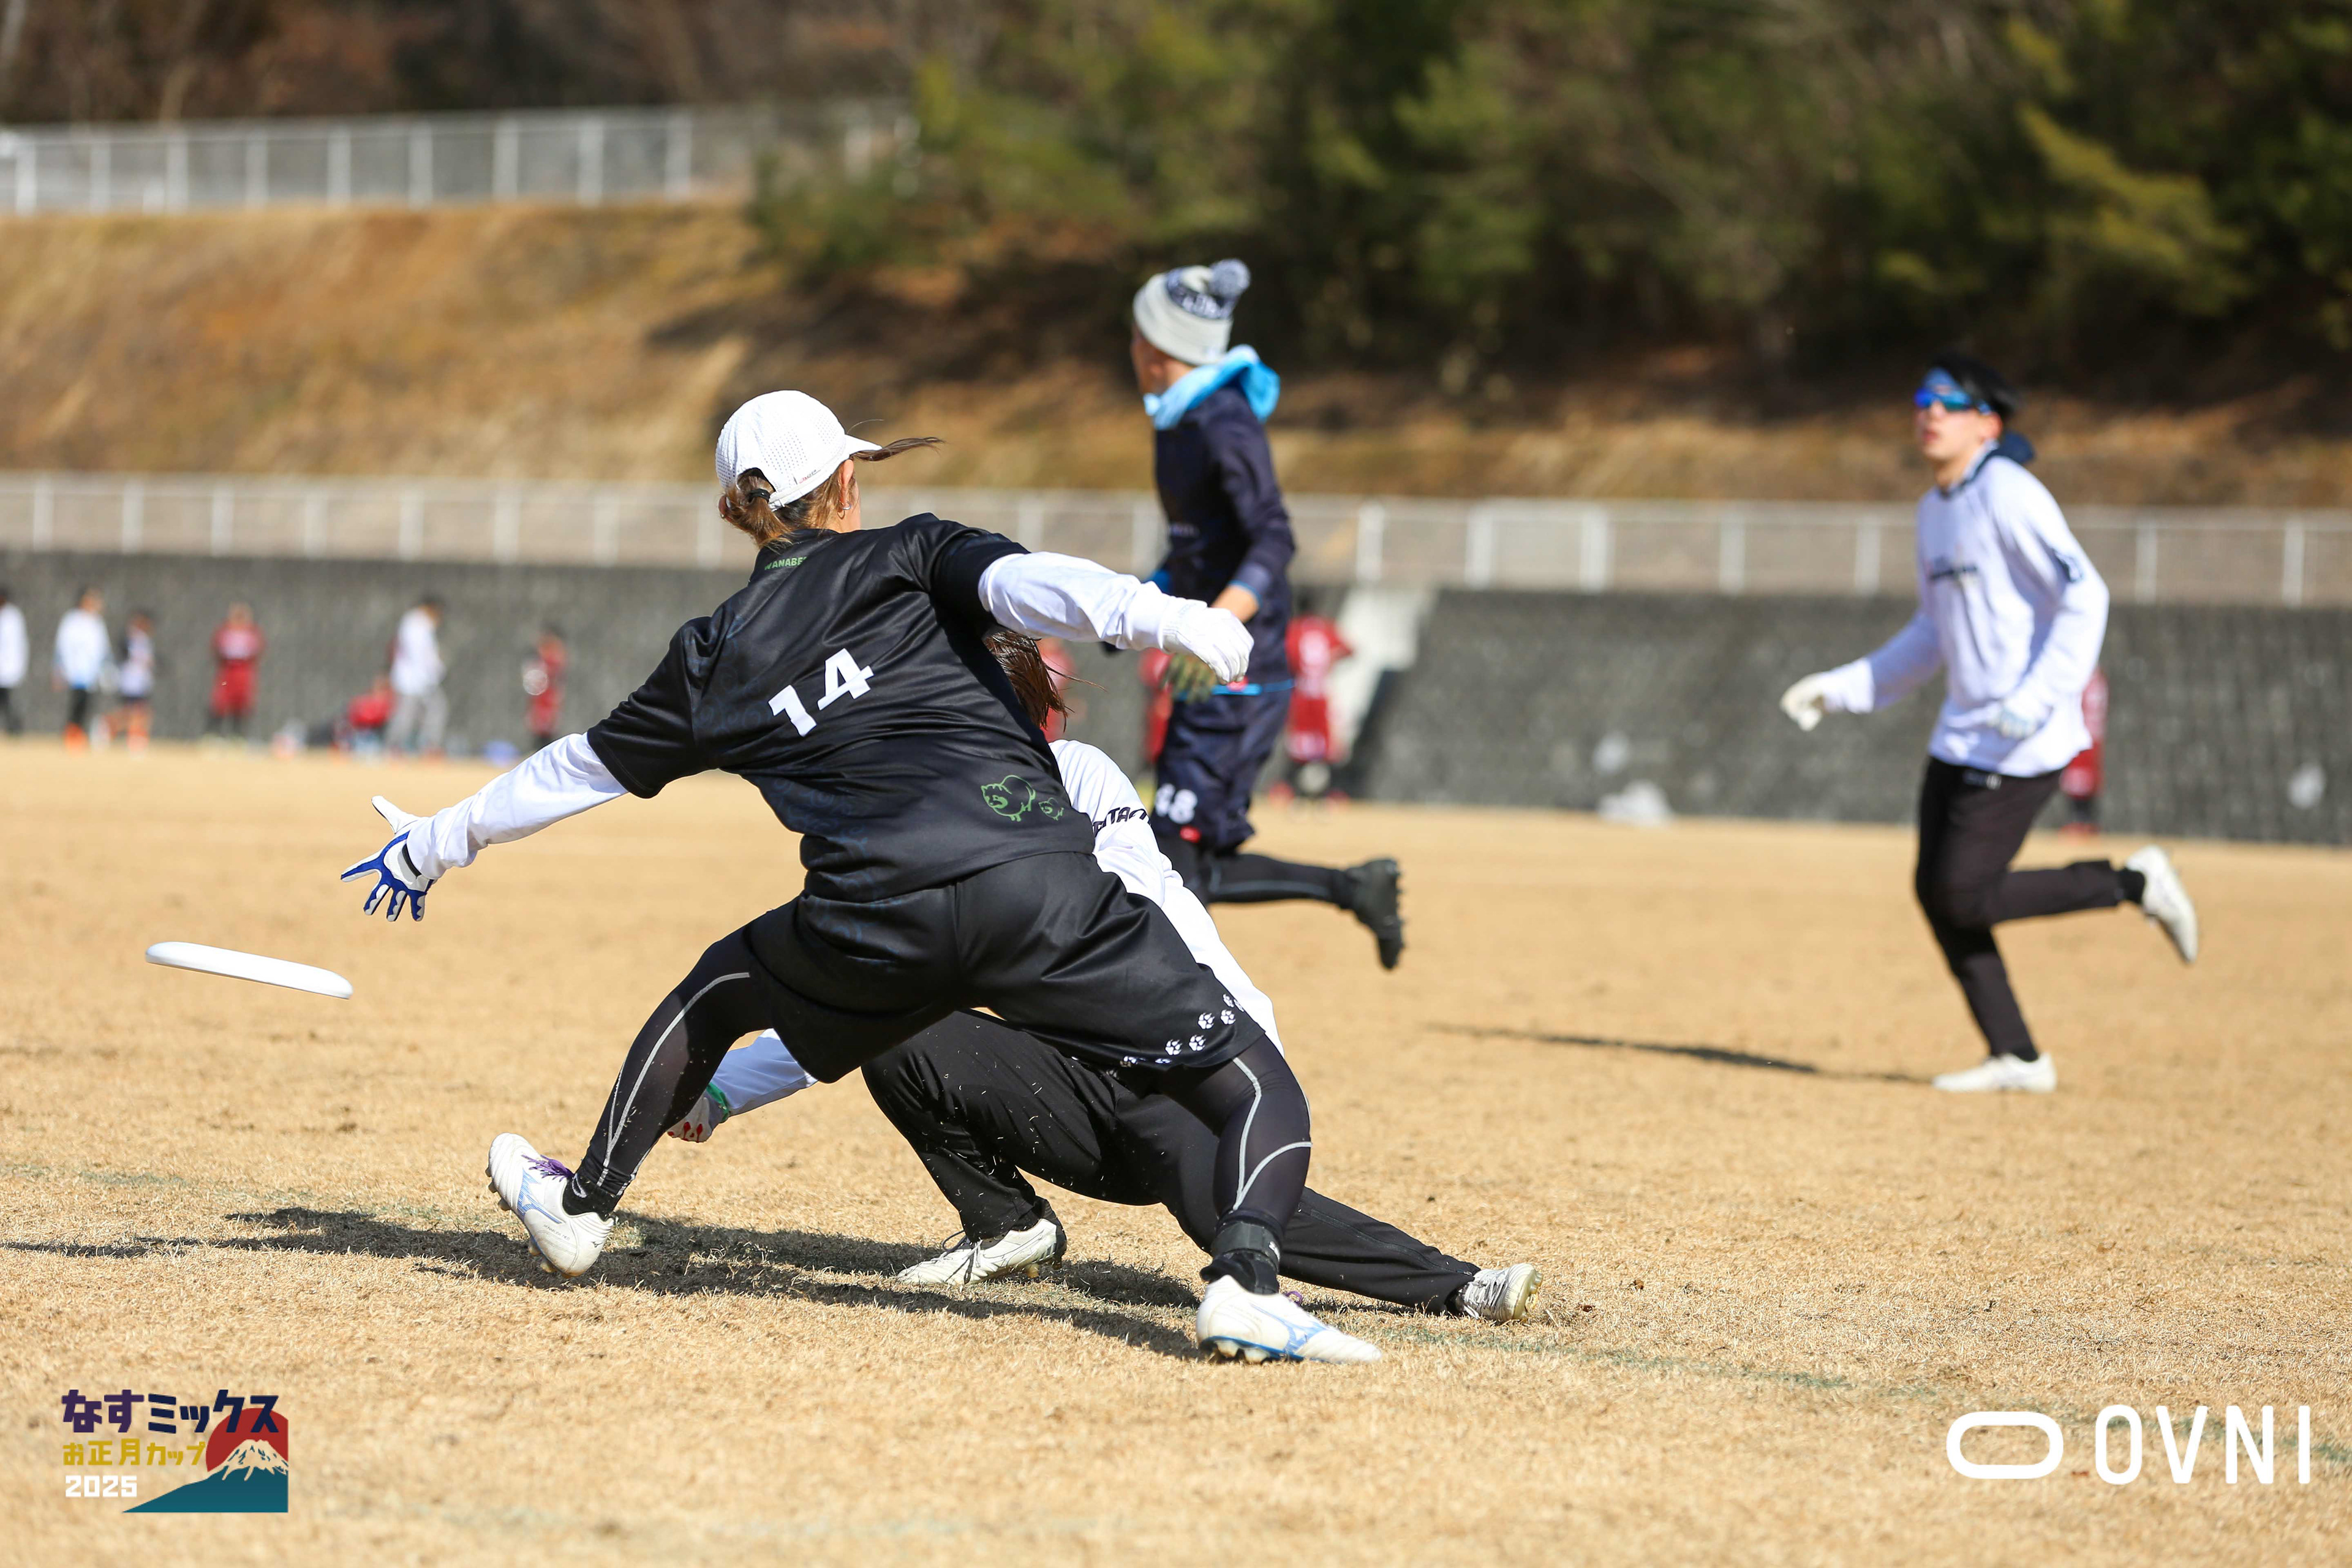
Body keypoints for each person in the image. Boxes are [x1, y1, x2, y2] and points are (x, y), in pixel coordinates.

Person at [341, 390, 1378, 1363]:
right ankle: (1246, 1281)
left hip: (875, 914)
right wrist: (1170, 618)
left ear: (740, 512)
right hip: (1038, 886)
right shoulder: (910, 553)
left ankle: (583, 1208)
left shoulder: (712, 655)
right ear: (845, 482)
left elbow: (577, 769)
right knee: (1257, 1083)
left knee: (715, 993)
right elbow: (1028, 585)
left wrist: (437, 843)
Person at [664, 631, 1540, 1324]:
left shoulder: (1077, 777)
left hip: (1190, 1071)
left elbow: (1150, 913)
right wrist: (723, 1092)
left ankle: (1460, 1284)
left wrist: (1239, 1079)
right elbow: (868, 994)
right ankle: (1009, 1226)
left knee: (1225, 1219)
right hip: (1072, 1097)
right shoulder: (938, 822)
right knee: (902, 1036)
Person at [1779, 353, 2198, 1094]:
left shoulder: (2009, 492)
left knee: (1963, 894)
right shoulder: (1933, 510)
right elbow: (1932, 633)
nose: (1930, 412)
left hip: (2023, 739)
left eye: (1950, 402)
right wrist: (1843, 689)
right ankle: (2019, 1057)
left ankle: (2134, 883)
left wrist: (2037, 698)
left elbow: (2086, 597)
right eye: (1923, 399)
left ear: (1988, 424)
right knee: (1934, 890)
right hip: (1960, 734)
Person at [1129, 260, 1406, 969]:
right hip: (1212, 665)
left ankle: (1190, 1014)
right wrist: (1135, 605)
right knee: (1186, 858)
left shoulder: (1222, 421)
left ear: (1155, 348)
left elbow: (1273, 539)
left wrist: (1214, 626)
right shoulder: (1179, 419)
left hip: (1236, 671)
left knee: (1173, 858)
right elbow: (1198, 547)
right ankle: (1354, 887)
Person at [1283, 608, 1352, 799]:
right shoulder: (1326, 629)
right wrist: (1332, 659)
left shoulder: (1294, 630)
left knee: (1305, 741)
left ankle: (1295, 788)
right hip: (1318, 694)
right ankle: (1329, 791)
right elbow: (1349, 650)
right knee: (1322, 742)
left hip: (1305, 694)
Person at [51, 586, 111, 750]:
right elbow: (62, 646)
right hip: (74, 670)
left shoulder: (97, 622)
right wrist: (60, 669)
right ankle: (72, 734)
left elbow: (103, 648)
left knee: (88, 705)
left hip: (92, 672)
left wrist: (105, 668)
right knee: (77, 703)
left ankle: (81, 734)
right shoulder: (72, 620)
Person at [385, 596, 446, 758]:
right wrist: (434, 671)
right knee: (406, 715)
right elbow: (419, 654)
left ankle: (429, 747)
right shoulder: (414, 624)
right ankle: (394, 747)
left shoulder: (421, 625)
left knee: (434, 710)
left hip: (422, 680)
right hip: (412, 680)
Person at [2060, 668, 2108, 836]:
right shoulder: (2094, 677)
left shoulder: (2086, 676)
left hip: (2084, 734)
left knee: (2081, 775)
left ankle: (2082, 821)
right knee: (2082, 774)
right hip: (2088, 735)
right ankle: (2082, 820)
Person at [207, 603, 265, 739]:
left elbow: (258, 650)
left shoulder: (252, 633)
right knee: (221, 700)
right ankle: (213, 734)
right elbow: (216, 648)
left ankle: (237, 735)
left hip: (243, 671)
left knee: (241, 703)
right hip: (228, 670)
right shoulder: (225, 631)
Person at [109, 611, 156, 753]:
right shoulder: (130, 639)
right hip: (130, 682)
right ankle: (109, 726)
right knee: (131, 712)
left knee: (141, 712)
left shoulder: (145, 640)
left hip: (142, 682)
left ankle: (136, 737)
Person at [522, 625, 567, 750]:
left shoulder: (553, 657)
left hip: (550, 695)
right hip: (542, 696)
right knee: (539, 726)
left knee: (548, 727)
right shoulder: (542, 657)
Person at [0, 586, 26, 736]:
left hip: (9, 667)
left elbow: (18, 643)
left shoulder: (13, 617)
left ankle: (14, 729)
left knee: (9, 701)